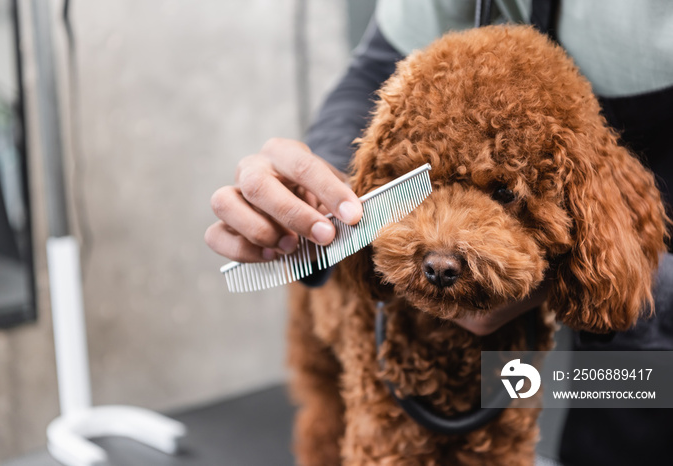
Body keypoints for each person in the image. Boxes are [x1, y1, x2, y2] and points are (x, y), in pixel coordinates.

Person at [205, 1, 673, 464]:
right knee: (331, 417)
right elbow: (378, 67)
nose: (443, 252)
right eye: (424, 184)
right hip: (442, 347)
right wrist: (316, 189)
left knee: (634, 403)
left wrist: (642, 286)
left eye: (503, 192)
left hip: (627, 337)